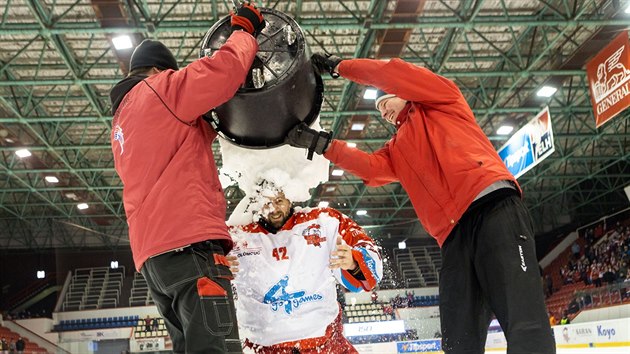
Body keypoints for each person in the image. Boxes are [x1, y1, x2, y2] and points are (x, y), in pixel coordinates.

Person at [285, 54, 556, 354]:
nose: (382, 111)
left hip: (493, 207)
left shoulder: (441, 98)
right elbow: (372, 169)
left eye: (384, 101)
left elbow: (392, 73)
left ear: (403, 92)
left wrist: (339, 66)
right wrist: (322, 144)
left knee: (523, 318)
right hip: (453, 239)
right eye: (379, 109)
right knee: (458, 338)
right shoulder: (397, 149)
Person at [108, 4, 265, 353]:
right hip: (189, 249)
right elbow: (222, 72)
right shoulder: (160, 88)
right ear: (158, 70)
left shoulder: (121, 123)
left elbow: (183, 142)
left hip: (155, 261)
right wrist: (244, 33)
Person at [227, 180, 383, 353]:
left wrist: (354, 262)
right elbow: (203, 265)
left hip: (326, 344)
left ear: (291, 198)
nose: (273, 209)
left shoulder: (325, 221)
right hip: (262, 347)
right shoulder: (235, 236)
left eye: (279, 201)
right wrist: (219, 266)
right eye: (266, 203)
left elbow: (369, 254)